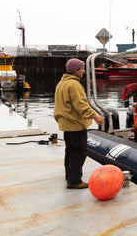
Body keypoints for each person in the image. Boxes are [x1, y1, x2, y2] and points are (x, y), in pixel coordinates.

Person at [54, 58, 105, 189]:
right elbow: (81, 105)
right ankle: (75, 181)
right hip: (75, 124)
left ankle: (69, 176)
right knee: (79, 152)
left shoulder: (61, 83)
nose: (83, 71)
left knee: (70, 151)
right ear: (75, 71)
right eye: (82, 68)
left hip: (66, 124)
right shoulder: (74, 85)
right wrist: (95, 116)